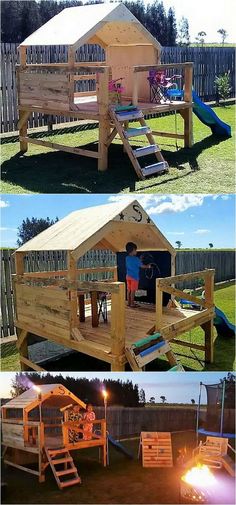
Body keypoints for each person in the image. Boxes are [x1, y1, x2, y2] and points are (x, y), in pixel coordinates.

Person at [125, 242, 151, 308]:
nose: (136, 251)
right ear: (133, 250)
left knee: (129, 290)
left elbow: (133, 264)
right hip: (134, 277)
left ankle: (128, 303)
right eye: (135, 250)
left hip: (128, 276)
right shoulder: (136, 259)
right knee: (133, 291)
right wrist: (148, 266)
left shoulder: (127, 258)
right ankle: (132, 304)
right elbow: (142, 266)